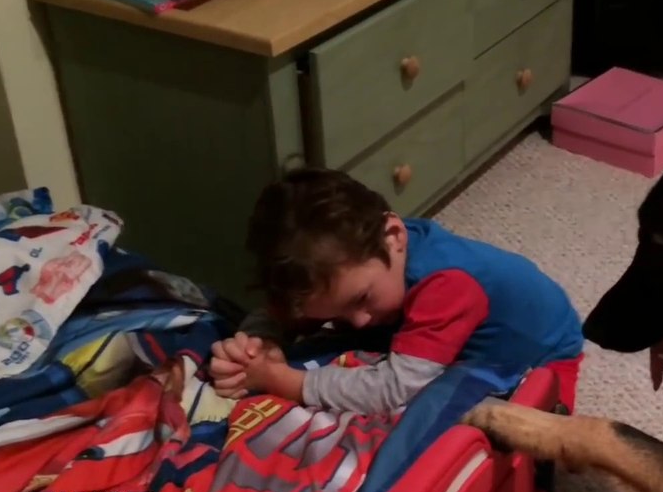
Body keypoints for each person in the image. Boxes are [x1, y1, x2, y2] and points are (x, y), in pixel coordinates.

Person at [208, 167, 584, 415]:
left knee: (495, 442)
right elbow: (279, 311)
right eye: (335, 315)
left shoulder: (446, 286)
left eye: (361, 300)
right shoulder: (365, 263)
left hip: (541, 355)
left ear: (394, 236)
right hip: (441, 330)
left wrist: (282, 381)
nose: (356, 322)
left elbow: (392, 390)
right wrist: (257, 344)